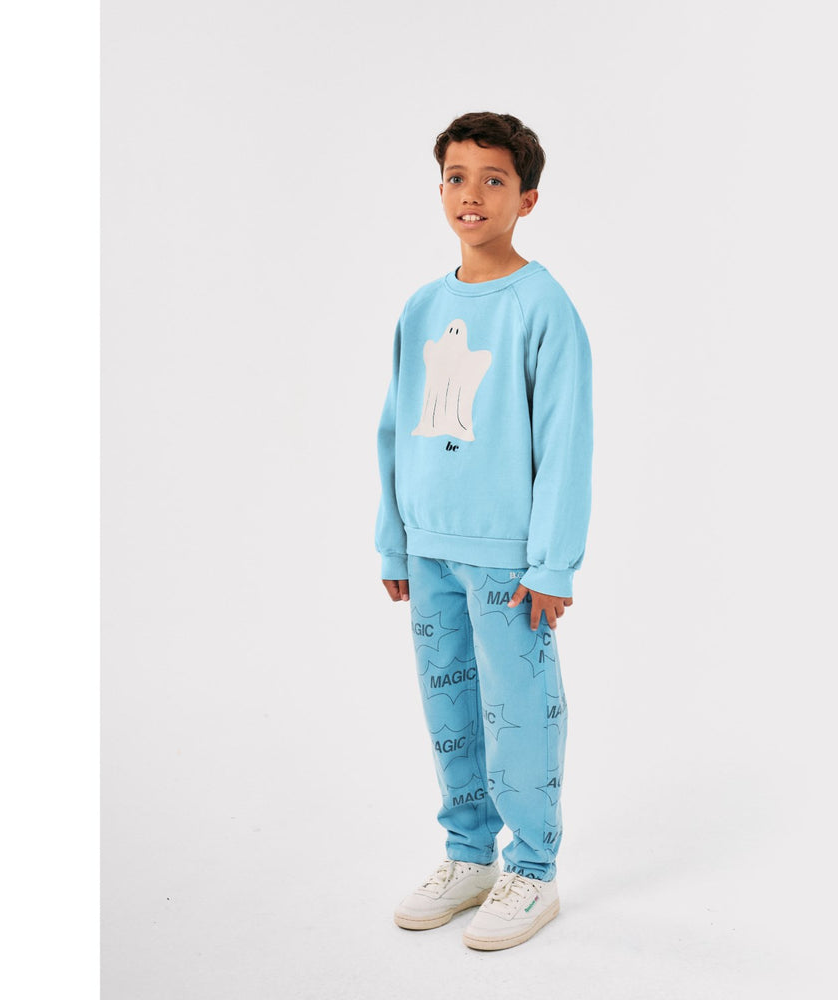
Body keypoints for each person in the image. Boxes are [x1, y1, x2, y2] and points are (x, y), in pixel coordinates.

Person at [375, 111, 593, 951]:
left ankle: (532, 870)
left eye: (494, 180)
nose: (472, 195)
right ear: (440, 190)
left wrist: (552, 564)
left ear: (526, 198)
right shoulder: (422, 306)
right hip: (429, 548)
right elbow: (395, 428)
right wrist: (394, 538)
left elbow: (566, 441)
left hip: (509, 562)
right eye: (457, 178)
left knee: (520, 712)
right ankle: (469, 855)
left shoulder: (543, 306)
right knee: (450, 707)